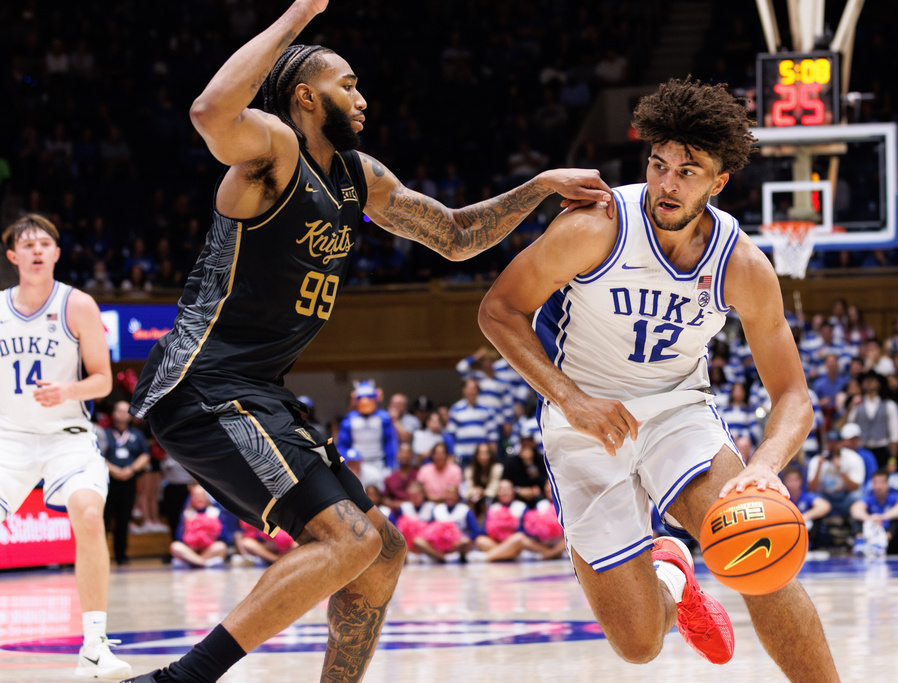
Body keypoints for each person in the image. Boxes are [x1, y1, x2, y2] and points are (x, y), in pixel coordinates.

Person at [124, 1, 614, 680]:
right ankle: (180, 678)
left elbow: (453, 235)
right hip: (203, 384)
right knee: (348, 538)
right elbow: (210, 113)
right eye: (346, 85)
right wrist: (297, 15)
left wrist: (538, 187)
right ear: (304, 95)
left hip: (257, 392)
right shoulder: (273, 151)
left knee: (381, 549)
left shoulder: (358, 175)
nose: (361, 98)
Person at [478, 77, 838, 679]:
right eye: (658, 163)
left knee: (764, 558)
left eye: (688, 171)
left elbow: (794, 396)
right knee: (640, 642)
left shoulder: (742, 264)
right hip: (584, 420)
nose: (667, 183)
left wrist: (765, 467)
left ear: (719, 183)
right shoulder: (596, 228)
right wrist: (571, 399)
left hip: (677, 412)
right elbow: (497, 311)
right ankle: (672, 571)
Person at [0, 214, 130, 679]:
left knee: (90, 515)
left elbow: (102, 380)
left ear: (56, 253)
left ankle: (94, 648)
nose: (36, 249)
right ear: (13, 256)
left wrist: (66, 391)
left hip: (66, 439)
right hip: (8, 441)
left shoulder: (78, 305)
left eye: (45, 243)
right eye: (27, 243)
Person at [101, 400, 151, 566]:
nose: (123, 414)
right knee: (104, 519)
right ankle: (101, 556)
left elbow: (145, 455)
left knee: (124, 519)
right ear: (113, 414)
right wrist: (113, 470)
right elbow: (96, 454)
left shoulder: (137, 434)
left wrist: (131, 469)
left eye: (126, 411)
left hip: (129, 482)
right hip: (108, 482)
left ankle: (121, 555)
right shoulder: (105, 433)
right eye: (119, 410)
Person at [849, 471, 898, 555]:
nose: (878, 486)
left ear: (887, 484)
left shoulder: (895, 496)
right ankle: (860, 542)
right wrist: (870, 518)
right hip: (871, 535)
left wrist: (882, 517)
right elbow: (855, 509)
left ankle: (881, 544)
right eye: (875, 483)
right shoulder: (869, 497)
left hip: (891, 540)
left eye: (881, 483)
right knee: (856, 518)